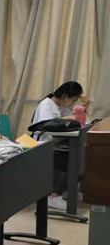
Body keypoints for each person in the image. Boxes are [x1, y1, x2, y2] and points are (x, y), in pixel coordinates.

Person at [31, 81, 90, 209]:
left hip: (57, 143)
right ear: (64, 96)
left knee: (83, 155)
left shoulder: (61, 106)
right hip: (43, 145)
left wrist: (82, 109)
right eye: (73, 99)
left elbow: (72, 120)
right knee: (70, 159)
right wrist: (70, 118)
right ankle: (52, 196)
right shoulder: (46, 105)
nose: (73, 103)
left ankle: (69, 189)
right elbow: (48, 126)